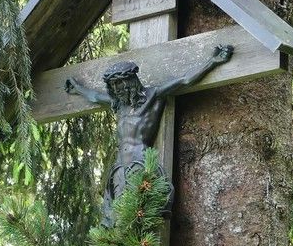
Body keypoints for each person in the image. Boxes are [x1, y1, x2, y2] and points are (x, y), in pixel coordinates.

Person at [65, 43, 234, 225]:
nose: (118, 88)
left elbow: (184, 80)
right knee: (117, 222)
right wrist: (77, 88)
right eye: (114, 85)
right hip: (119, 168)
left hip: (140, 165)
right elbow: (94, 96)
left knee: (137, 219)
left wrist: (212, 62)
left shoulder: (152, 96)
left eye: (121, 83)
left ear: (131, 80)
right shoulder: (119, 105)